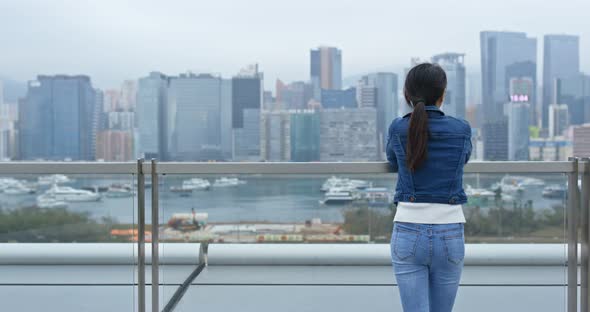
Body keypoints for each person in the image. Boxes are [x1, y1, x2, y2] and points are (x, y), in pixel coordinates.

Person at [386, 63, 472, 312]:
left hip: (408, 231)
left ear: (407, 94)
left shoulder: (398, 128)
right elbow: (463, 159)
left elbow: (393, 160)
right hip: (450, 231)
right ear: (442, 94)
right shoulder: (461, 129)